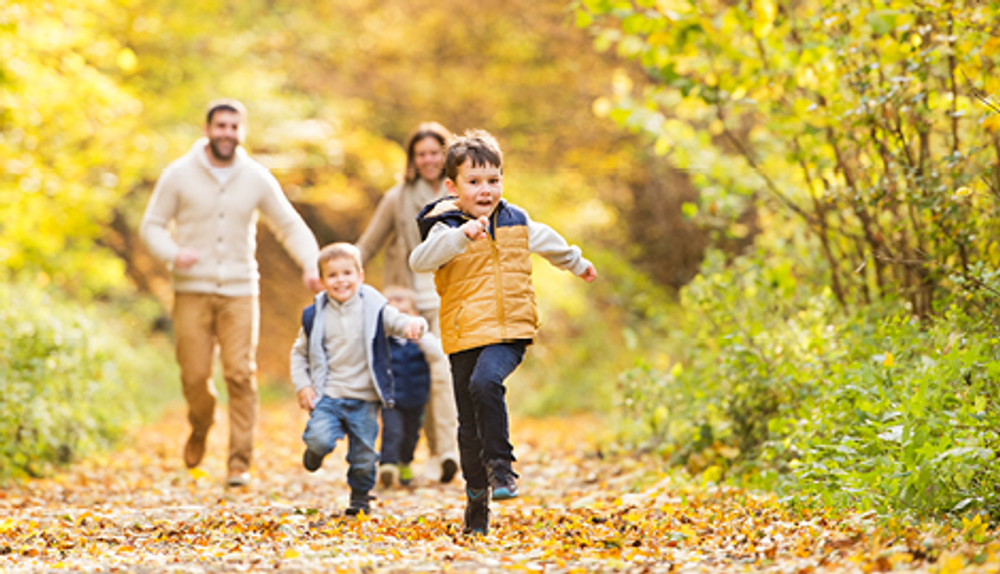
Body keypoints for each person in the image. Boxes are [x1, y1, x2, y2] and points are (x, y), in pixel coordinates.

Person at [409, 129, 598, 536]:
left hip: (510, 330)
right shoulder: (445, 226)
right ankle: (477, 498)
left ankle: (502, 469)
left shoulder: (516, 220)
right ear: (452, 187)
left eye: (493, 180)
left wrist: (577, 263)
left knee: (485, 382)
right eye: (474, 182)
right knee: (467, 425)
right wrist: (461, 236)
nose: (485, 190)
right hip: (464, 335)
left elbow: (549, 241)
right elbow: (419, 261)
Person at [140, 99, 322, 488]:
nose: (227, 133)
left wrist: (311, 264)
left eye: (234, 127)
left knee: (240, 373)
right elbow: (152, 226)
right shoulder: (179, 174)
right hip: (191, 290)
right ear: (207, 129)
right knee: (194, 375)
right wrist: (174, 253)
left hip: (240, 290)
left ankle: (239, 463)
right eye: (220, 126)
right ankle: (201, 424)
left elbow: (288, 225)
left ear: (242, 132)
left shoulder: (256, 177)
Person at [355, 122, 460, 484]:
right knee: (408, 381)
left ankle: (446, 452)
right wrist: (340, 273)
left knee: (443, 373)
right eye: (421, 154)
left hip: (448, 298)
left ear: (446, 155)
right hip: (406, 303)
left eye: (435, 152)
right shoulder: (397, 197)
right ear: (413, 160)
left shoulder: (462, 195)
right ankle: (407, 455)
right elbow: (367, 245)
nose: (429, 160)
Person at [290, 243, 427, 516]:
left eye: (347, 273)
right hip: (328, 394)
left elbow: (397, 320)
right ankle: (314, 453)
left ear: (360, 276)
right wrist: (303, 385)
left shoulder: (374, 308)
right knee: (319, 438)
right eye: (332, 275)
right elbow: (299, 353)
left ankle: (360, 498)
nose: (341, 280)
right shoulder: (315, 315)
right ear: (321, 281)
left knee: (364, 457)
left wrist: (414, 325)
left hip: (364, 398)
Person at [377, 286, 449, 489]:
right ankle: (388, 465)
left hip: (417, 398)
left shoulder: (422, 342)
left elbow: (438, 355)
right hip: (391, 398)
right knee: (393, 431)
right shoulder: (383, 342)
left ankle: (405, 462)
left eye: (404, 315)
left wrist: (421, 337)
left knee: (411, 434)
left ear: (415, 316)